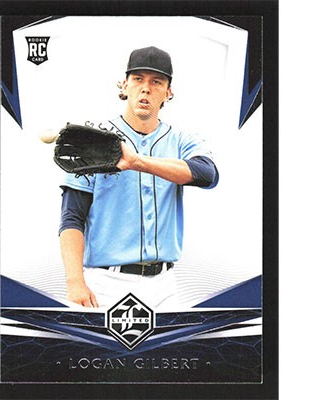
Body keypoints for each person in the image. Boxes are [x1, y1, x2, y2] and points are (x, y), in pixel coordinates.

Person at [41, 46, 219, 309]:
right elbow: (72, 217)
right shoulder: (95, 140)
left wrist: (136, 162)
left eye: (156, 81)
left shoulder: (181, 140)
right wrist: (75, 281)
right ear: (124, 85)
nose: (146, 88)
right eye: (138, 79)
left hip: (165, 285)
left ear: (168, 93)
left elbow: (207, 174)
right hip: (106, 283)